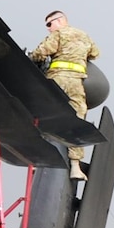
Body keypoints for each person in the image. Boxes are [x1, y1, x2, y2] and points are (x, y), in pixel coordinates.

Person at [28, 10, 100, 178]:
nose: (48, 29)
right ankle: (75, 166)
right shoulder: (84, 36)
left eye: (49, 24)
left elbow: (41, 52)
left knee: (44, 116)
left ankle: (37, 159)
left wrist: (32, 58)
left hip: (57, 79)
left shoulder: (59, 34)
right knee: (77, 119)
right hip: (76, 83)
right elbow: (95, 54)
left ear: (59, 21)